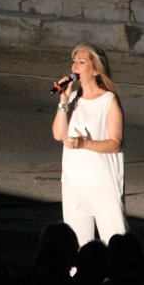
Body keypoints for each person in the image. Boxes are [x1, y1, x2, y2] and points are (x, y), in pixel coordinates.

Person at [52, 43, 127, 246]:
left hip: (102, 182)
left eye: (82, 62)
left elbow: (115, 144)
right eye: (74, 62)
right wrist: (63, 101)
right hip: (73, 182)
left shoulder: (108, 101)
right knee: (76, 245)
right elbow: (59, 135)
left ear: (95, 69)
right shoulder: (73, 99)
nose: (75, 67)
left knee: (115, 242)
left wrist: (84, 143)